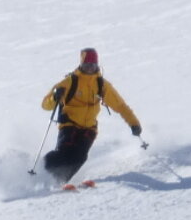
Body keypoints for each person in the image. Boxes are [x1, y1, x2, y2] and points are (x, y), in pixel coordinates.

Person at [40, 48, 142, 184]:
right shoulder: (69, 82)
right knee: (64, 154)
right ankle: (43, 170)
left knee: (80, 157)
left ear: (97, 65)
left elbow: (120, 106)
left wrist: (134, 123)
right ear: (81, 64)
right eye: (87, 64)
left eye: (92, 64)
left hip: (89, 128)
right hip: (69, 124)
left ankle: (61, 181)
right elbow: (45, 105)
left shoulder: (102, 85)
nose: (90, 68)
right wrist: (54, 97)